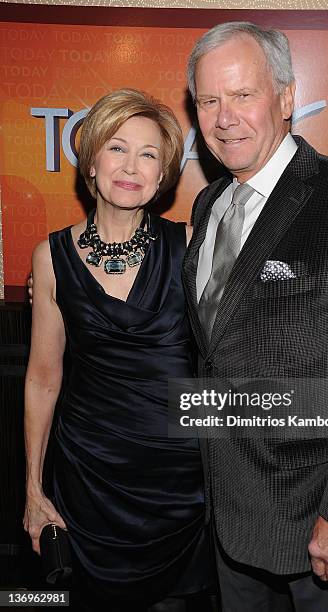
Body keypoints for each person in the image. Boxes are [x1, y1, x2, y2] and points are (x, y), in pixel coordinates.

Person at [182, 22, 328, 612]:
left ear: (287, 98)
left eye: (242, 95)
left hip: (324, 524)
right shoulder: (210, 203)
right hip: (233, 516)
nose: (223, 117)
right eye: (208, 100)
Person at [23, 89, 214, 612]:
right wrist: (34, 489)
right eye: (117, 148)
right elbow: (43, 378)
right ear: (91, 162)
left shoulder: (194, 245)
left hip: (182, 485)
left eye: (149, 154)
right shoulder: (50, 256)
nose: (132, 166)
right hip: (88, 477)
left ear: (163, 174)